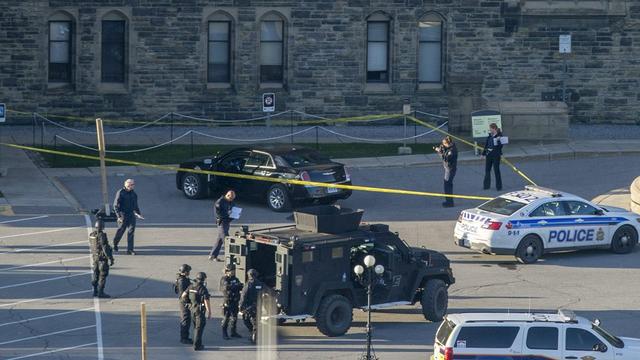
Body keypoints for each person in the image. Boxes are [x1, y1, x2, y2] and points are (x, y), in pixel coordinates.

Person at [113, 178, 143, 255]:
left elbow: (135, 205)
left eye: (133, 184)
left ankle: (130, 249)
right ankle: (115, 244)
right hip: (123, 214)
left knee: (131, 232)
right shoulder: (120, 192)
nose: (133, 186)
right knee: (121, 231)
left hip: (131, 215)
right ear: (127, 185)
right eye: (131, 184)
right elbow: (115, 205)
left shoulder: (134, 194)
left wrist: (139, 213)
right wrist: (119, 216)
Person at [183, 272, 211, 351]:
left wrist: (188, 304)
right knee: (199, 328)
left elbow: (183, 295)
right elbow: (206, 300)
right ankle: (197, 345)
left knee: (196, 327)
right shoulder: (202, 288)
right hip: (200, 311)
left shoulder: (191, 286)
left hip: (192, 309)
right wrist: (209, 311)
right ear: (203, 279)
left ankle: (197, 343)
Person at [89, 219, 114, 298]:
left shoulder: (92, 235)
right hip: (102, 259)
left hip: (95, 258)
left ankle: (95, 291)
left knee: (95, 274)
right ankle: (101, 292)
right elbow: (104, 247)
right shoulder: (102, 235)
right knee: (102, 275)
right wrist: (110, 258)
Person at [209, 190, 236, 262]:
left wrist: (235, 214)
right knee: (227, 240)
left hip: (227, 223)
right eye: (231, 198)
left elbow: (233, 209)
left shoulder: (231, 202)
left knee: (220, 240)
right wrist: (228, 214)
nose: (232, 200)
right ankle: (231, 259)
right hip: (222, 223)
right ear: (227, 195)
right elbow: (218, 214)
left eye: (233, 198)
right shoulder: (219, 202)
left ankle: (213, 255)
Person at [220, 263, 243, 340]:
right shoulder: (224, 279)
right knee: (226, 317)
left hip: (235, 300)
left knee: (234, 317)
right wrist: (235, 286)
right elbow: (226, 287)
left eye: (233, 270)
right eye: (231, 271)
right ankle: (224, 332)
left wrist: (236, 286)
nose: (232, 272)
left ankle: (233, 332)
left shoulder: (235, 278)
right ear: (227, 271)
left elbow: (240, 286)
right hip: (228, 301)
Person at [240, 268, 263, 344]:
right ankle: (254, 336)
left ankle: (254, 337)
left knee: (246, 320)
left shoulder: (248, 285)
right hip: (257, 305)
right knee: (256, 323)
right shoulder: (260, 284)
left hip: (248, 306)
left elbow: (243, 296)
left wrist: (240, 306)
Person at [435, 136, 458, 207]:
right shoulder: (449, 148)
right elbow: (445, 151)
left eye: (444, 144)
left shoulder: (452, 150)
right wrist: (441, 149)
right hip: (448, 169)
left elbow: (446, 159)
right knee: (448, 185)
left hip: (450, 170)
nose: (443, 145)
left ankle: (449, 202)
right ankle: (449, 201)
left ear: (448, 144)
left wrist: (440, 152)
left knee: (447, 185)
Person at [174, 264, 192, 345]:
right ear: (185, 272)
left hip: (184, 301)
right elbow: (182, 294)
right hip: (184, 302)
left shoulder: (182, 279)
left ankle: (185, 337)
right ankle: (184, 338)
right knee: (185, 319)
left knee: (187, 319)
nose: (189, 273)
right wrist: (187, 302)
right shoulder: (182, 281)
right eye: (188, 271)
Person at [482, 123, 503, 191]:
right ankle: (486, 186)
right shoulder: (489, 136)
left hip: (496, 155)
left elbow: (500, 147)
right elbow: (486, 145)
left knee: (496, 170)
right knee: (487, 170)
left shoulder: (499, 136)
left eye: (490, 129)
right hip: (489, 155)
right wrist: (483, 154)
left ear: (494, 129)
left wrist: (498, 140)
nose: (490, 130)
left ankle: (499, 187)